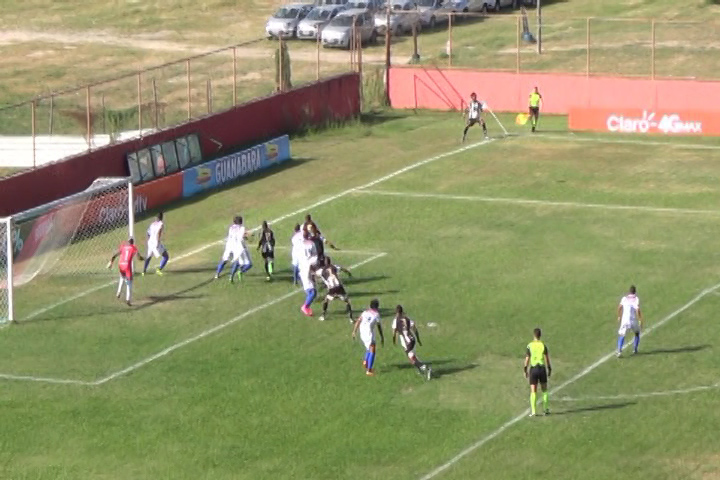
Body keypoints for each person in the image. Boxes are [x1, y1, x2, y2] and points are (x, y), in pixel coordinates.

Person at [392, 305, 431, 380]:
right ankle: (421, 370)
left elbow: (393, 333)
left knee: (412, 359)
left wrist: (394, 341)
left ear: (396, 312)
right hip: (412, 339)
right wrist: (418, 339)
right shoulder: (407, 319)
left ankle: (426, 368)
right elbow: (415, 329)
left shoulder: (395, 321)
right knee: (413, 356)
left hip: (407, 343)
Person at [314, 256, 353, 323]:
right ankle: (351, 318)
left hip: (332, 288)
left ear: (324, 262)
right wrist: (348, 273)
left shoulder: (321, 270)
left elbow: (314, 274)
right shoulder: (334, 266)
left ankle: (323, 315)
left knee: (326, 300)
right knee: (347, 301)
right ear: (330, 261)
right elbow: (343, 269)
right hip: (339, 286)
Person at [215, 215, 252, 283]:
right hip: (236, 246)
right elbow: (242, 236)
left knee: (224, 260)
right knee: (237, 262)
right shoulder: (242, 228)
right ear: (241, 222)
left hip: (229, 245)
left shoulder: (231, 227)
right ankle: (231, 277)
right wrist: (248, 237)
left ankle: (217, 274)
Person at [352, 299, 384, 376]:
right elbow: (379, 326)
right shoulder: (376, 314)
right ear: (377, 307)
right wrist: (382, 336)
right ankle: (369, 370)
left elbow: (358, 321)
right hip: (369, 333)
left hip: (362, 332)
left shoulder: (365, 312)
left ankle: (365, 362)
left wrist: (354, 331)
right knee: (372, 350)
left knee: (368, 348)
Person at [107, 237, 144, 306]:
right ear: (133, 242)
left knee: (122, 277)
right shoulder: (133, 248)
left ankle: (118, 292)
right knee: (129, 282)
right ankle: (128, 299)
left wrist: (111, 262)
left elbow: (115, 255)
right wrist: (143, 258)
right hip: (127, 266)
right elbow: (139, 258)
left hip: (121, 265)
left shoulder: (123, 247)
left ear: (127, 242)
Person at [524, 327, 552, 417]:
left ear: (534, 335)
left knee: (533, 390)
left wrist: (525, 369)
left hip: (533, 369)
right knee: (544, 389)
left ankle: (534, 411)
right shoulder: (543, 345)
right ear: (540, 335)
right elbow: (547, 358)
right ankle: (546, 409)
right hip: (542, 369)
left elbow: (527, 359)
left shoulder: (530, 345)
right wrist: (549, 368)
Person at [617, 285, 643, 357]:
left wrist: (619, 316)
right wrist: (640, 320)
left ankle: (619, 351)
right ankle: (635, 349)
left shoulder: (624, 298)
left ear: (629, 291)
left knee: (622, 335)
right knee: (637, 333)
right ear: (635, 292)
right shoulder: (636, 299)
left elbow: (619, 307)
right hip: (633, 320)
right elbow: (637, 310)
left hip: (624, 320)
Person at [299, 230, 319, 316]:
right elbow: (314, 256)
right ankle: (305, 306)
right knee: (313, 292)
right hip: (308, 269)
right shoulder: (311, 244)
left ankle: (307, 305)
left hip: (303, 268)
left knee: (311, 290)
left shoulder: (300, 244)